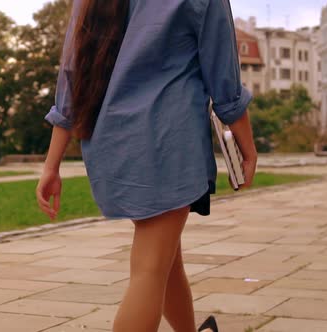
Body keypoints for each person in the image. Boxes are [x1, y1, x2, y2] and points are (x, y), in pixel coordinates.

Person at [36, 0, 257, 331]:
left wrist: (51, 166)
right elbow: (222, 76)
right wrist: (247, 147)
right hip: (167, 139)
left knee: (165, 260)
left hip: (110, 142)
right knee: (150, 269)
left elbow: (72, 74)